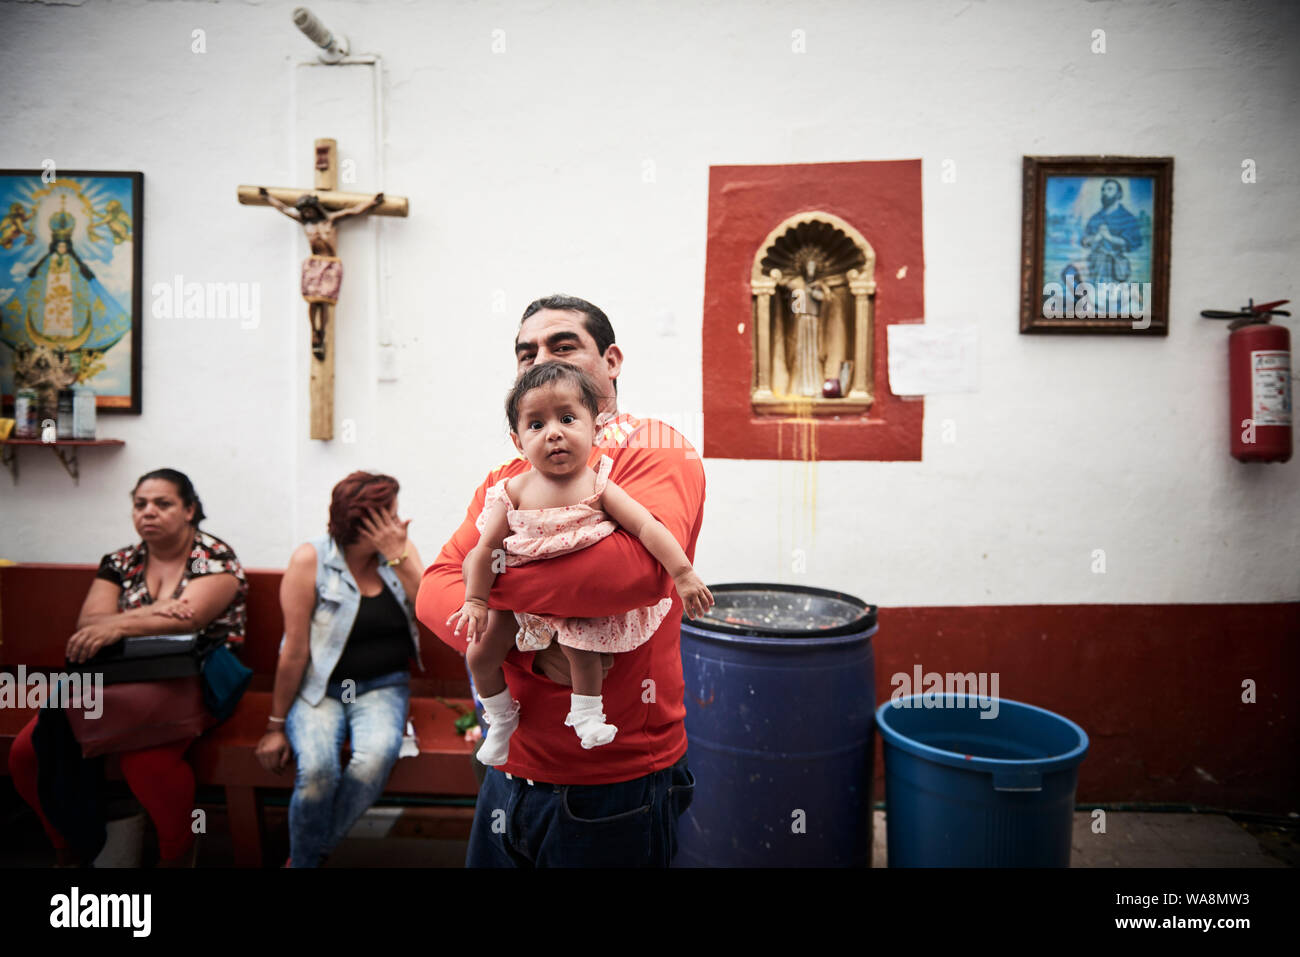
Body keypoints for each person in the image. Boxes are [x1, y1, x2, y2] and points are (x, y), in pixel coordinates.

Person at [416, 293, 707, 868]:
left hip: (614, 783)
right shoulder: (509, 478)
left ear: (613, 361)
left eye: (563, 345)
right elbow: (435, 589)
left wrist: (492, 584)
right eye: (526, 352)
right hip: (507, 771)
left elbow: (625, 576)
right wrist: (532, 649)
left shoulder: (654, 449)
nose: (540, 358)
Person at [447, 361, 713, 765]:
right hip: (516, 602)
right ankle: (500, 717)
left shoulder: (599, 484)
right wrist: (477, 600)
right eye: (536, 425)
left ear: (595, 429)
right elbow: (484, 551)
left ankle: (588, 715)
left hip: (578, 603)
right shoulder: (511, 491)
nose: (553, 432)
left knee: (582, 650)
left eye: (567, 418)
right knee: (479, 655)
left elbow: (646, 527)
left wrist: (683, 573)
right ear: (519, 442)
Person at [7, 468, 247, 867]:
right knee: (27, 751)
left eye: (163, 503)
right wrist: (154, 612)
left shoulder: (214, 557)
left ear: (189, 510)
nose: (148, 512)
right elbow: (88, 623)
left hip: (194, 678)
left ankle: (178, 852)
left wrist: (117, 624)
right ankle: (68, 847)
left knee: (147, 760)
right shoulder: (119, 561)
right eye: (140, 504)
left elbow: (188, 620)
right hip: (117, 678)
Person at [254, 472, 424, 868]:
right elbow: (294, 649)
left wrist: (399, 556)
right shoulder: (310, 559)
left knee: (373, 759)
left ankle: (305, 859)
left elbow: (431, 610)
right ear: (368, 521)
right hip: (320, 687)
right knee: (316, 771)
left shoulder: (398, 553)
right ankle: (308, 858)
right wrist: (275, 726)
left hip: (383, 685)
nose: (400, 524)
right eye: (392, 515)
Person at [1080, 178, 1143, 285]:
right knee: (1093, 297)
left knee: (1115, 298)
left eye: (1109, 189)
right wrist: (1095, 238)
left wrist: (1108, 237)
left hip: (1117, 266)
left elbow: (1132, 242)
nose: (1105, 192)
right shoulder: (1095, 218)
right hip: (1095, 265)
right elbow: (1084, 241)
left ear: (1118, 194)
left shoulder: (1127, 217)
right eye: (1103, 189)